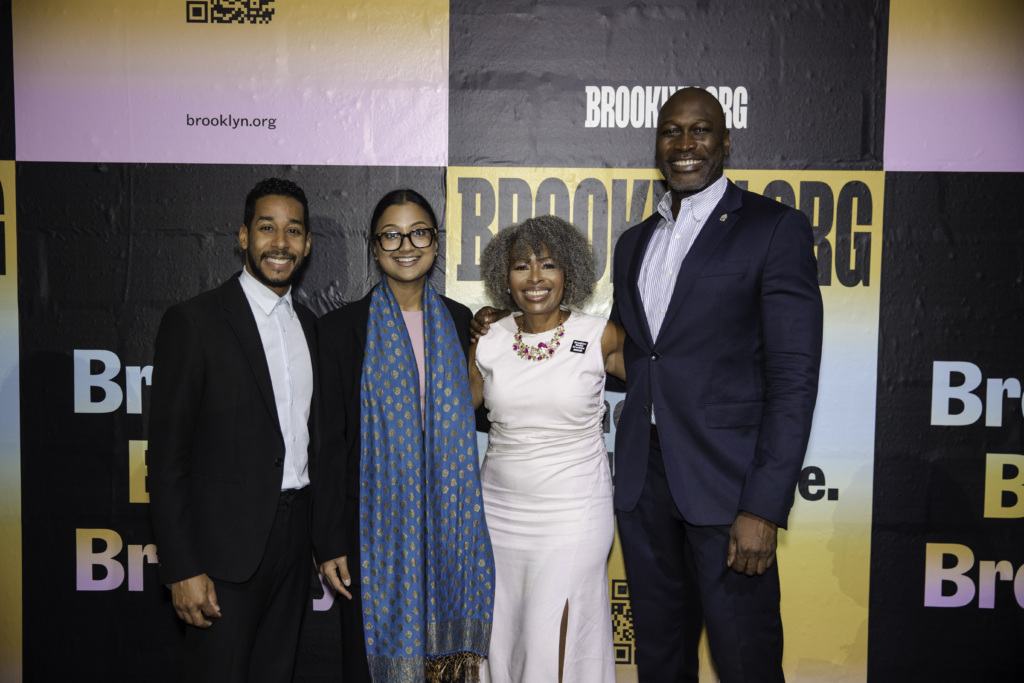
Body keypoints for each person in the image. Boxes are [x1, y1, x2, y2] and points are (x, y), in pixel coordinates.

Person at [610, 87, 823, 682]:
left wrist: (763, 505)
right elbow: (622, 349)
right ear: (657, 143)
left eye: (699, 130)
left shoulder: (773, 228)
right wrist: (510, 328)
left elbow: (793, 377)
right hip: (643, 483)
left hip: (730, 490)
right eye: (671, 131)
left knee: (744, 662)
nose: (684, 144)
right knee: (659, 663)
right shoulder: (634, 243)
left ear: (726, 141)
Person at [313, 189, 495, 682]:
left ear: (435, 243)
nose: (405, 245)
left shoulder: (461, 322)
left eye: (418, 232)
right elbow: (327, 443)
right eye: (391, 234)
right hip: (369, 531)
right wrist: (328, 539)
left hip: (448, 527)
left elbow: (476, 411)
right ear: (375, 247)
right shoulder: (340, 330)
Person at [148, 177, 318, 683]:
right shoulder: (194, 322)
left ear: (307, 244)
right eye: (267, 228)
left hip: (293, 543)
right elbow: (166, 459)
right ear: (243, 236)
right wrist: (181, 567)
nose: (280, 244)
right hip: (223, 555)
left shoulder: (309, 326)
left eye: (293, 231)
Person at [468, 215, 626, 683]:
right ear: (505, 277)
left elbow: (667, 377)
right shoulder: (488, 339)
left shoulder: (599, 335)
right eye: (521, 266)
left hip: (573, 514)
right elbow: (454, 412)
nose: (535, 278)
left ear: (569, 272)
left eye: (548, 265)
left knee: (553, 634)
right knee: (504, 634)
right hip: (498, 513)